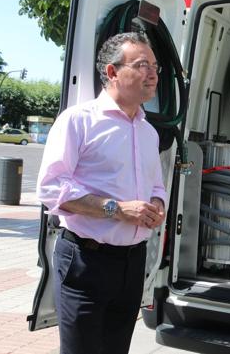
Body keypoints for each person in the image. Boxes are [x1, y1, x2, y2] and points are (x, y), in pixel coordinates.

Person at [36, 32, 167, 354]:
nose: (152, 74)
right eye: (141, 65)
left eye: (155, 66)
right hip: (86, 260)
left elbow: (156, 186)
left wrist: (156, 205)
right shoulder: (78, 122)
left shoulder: (148, 132)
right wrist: (117, 210)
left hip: (132, 262)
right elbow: (51, 188)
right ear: (111, 72)